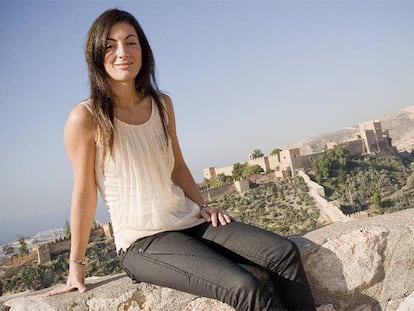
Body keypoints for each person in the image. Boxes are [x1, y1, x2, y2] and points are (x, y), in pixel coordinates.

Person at [47, 8, 316, 311]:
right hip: (143, 241)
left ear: (143, 49)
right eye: (110, 45)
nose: (122, 52)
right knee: (245, 288)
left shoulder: (162, 104)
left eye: (130, 42)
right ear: (96, 54)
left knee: (284, 253)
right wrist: (76, 264)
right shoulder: (85, 117)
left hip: (188, 219)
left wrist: (202, 207)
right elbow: (84, 193)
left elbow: (178, 166)